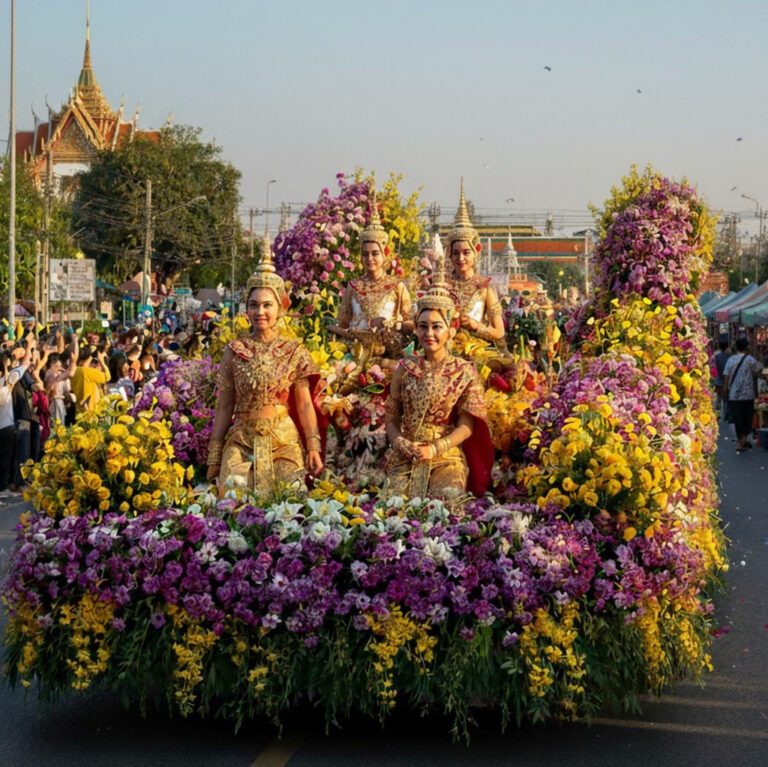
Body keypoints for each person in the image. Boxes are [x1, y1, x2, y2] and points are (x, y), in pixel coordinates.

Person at [206, 238, 324, 496]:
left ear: (280, 308)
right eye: (253, 305)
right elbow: (225, 406)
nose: (260, 311)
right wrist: (215, 456)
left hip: (283, 442)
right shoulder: (235, 351)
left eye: (267, 305)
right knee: (233, 496)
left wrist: (313, 447)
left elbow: (304, 405)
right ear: (246, 309)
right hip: (242, 441)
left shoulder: (293, 351)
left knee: (290, 497)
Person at [384, 237, 493, 503]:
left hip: (445, 457)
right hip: (405, 455)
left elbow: (467, 426)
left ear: (450, 330)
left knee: (445, 507)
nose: (428, 333)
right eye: (422, 326)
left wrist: (435, 449)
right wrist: (400, 443)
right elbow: (391, 419)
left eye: (436, 326)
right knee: (391, 511)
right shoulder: (405, 367)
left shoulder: (463, 371)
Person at [327, 191, 413, 367]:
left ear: (385, 255)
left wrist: (393, 325)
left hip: (389, 352)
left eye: (375, 254)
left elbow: (411, 322)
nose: (370, 259)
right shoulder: (353, 286)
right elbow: (342, 324)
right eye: (365, 254)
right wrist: (351, 333)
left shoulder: (397, 286)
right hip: (355, 354)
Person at [444, 180, 507, 354]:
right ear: (449, 253)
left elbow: (498, 331)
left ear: (475, 253)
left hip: (476, 353)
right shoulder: (442, 286)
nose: (460, 258)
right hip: (444, 352)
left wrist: (474, 325)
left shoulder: (484, 287)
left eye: (466, 252)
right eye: (456, 253)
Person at [723, 337, 765, 453]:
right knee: (747, 419)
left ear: (736, 347)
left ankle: (741, 442)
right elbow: (759, 371)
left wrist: (725, 391)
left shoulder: (730, 360)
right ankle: (742, 441)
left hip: (734, 395)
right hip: (748, 395)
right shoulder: (750, 360)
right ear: (747, 347)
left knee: (737, 419)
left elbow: (726, 378)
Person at [70, 346, 111, 411]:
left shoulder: (71, 371)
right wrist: (102, 361)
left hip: (79, 410)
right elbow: (107, 377)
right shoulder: (87, 372)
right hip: (89, 413)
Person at [713, 340, 731, 417]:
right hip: (727, 381)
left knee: (719, 398)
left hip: (718, 381)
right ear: (727, 348)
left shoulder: (717, 357)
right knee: (726, 398)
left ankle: (718, 414)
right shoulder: (729, 357)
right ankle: (726, 413)